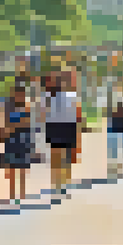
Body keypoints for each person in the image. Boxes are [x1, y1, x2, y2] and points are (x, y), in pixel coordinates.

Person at [43, 73, 82, 203]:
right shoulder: (71, 97)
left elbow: (43, 115)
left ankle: (58, 187)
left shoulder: (48, 98)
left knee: (58, 160)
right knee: (63, 160)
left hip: (57, 127)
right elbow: (78, 116)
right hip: (64, 127)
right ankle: (62, 186)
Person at [0, 83, 37, 205]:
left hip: (22, 139)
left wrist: (13, 126)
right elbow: (6, 124)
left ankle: (22, 194)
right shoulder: (9, 107)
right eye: (17, 94)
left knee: (22, 168)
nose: (19, 96)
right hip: (11, 139)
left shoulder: (26, 108)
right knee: (11, 168)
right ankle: (12, 195)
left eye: (21, 94)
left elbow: (27, 124)